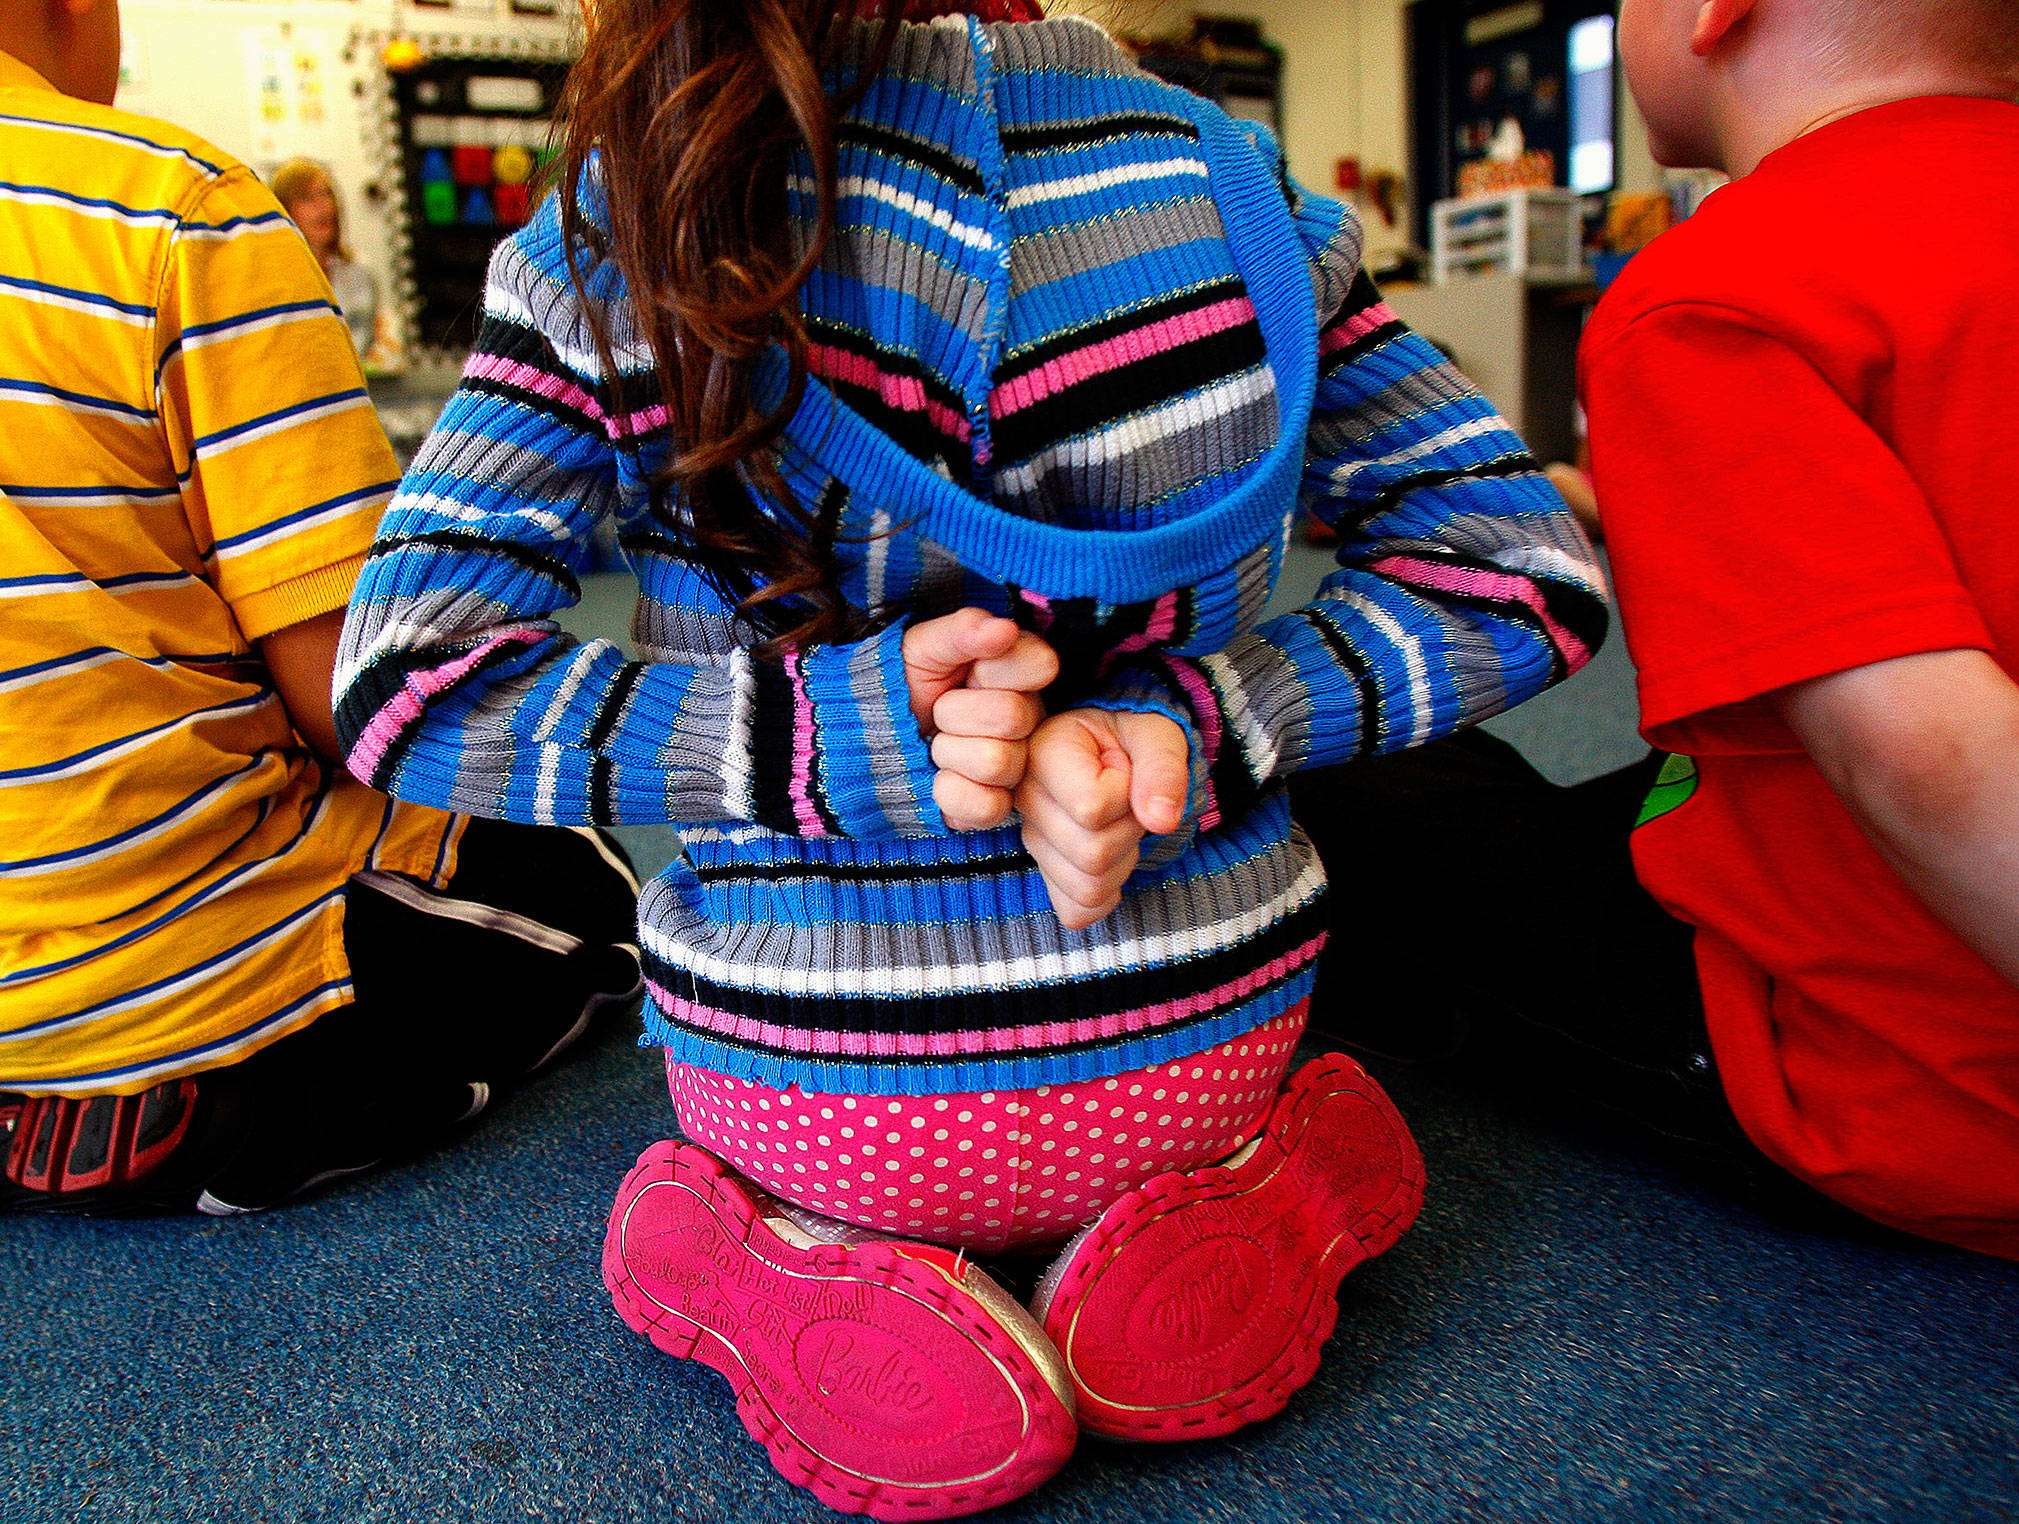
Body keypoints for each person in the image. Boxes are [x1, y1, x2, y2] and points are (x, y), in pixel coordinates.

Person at [335, 0, 1606, 1515]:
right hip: (1205, 1035)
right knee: (1238, 1049)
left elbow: (409, 681)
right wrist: (1191, 728)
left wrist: (835, 733)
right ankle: (1233, 1204)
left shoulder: (632, 233)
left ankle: (776, 1259)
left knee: (741, 1165)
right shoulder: (1249, 204)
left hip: (816, 1086)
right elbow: (1526, 572)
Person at [1301, 0, 2019, 1265]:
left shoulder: (1718, 290)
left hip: (1910, 1087)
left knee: (1346, 774)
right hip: (1870, 873)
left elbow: (1926, 758)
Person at [0, 0, 641, 1216]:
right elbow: (363, 700)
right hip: (177, 973)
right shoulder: (168, 209)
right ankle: (200, 1096)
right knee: (594, 892)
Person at [271, 157, 406, 374]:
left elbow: (381, 339)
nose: (322, 207)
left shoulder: (360, 271)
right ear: (284, 211)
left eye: (325, 194)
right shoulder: (275, 278)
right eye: (306, 198)